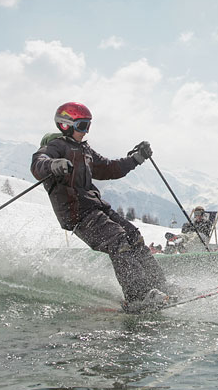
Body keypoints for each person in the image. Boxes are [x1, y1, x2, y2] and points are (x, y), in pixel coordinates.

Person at [31, 102, 172, 310]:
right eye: (81, 126)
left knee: (133, 235)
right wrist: (52, 165)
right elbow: (38, 161)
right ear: (65, 125)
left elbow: (109, 168)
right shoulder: (57, 147)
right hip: (78, 214)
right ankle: (139, 296)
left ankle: (159, 286)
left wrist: (137, 158)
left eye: (88, 126)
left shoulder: (84, 149)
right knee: (117, 240)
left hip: (96, 207)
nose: (86, 131)